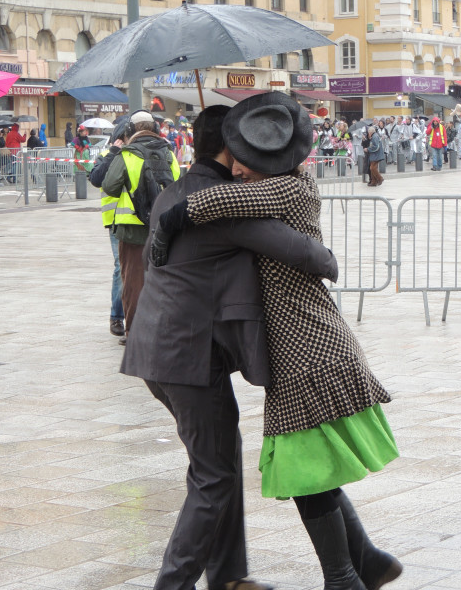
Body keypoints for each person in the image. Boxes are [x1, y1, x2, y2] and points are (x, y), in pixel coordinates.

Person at [151, 92, 402, 590]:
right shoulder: (278, 186)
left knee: (302, 465)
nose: (239, 171)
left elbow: (222, 201)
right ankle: (363, 563)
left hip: (305, 345)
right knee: (305, 462)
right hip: (302, 344)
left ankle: (346, 576)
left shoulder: (284, 188)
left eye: (246, 160)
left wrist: (173, 215)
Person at [122, 104, 339, 590]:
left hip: (166, 351)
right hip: (185, 356)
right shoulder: (220, 202)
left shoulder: (177, 191)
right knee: (213, 476)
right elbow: (306, 254)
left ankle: (227, 577)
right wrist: (330, 259)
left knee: (220, 460)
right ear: (229, 147)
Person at [102, 110, 180, 345]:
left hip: (131, 231)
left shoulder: (127, 155)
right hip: (163, 230)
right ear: (156, 130)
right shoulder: (168, 154)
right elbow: (176, 186)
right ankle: (159, 328)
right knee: (161, 281)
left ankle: (134, 332)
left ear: (129, 132)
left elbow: (109, 186)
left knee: (133, 282)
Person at [89, 116, 129, 342]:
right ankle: (116, 316)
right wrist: (114, 151)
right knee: (120, 268)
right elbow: (96, 178)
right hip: (116, 219)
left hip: (138, 219)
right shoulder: (108, 154)